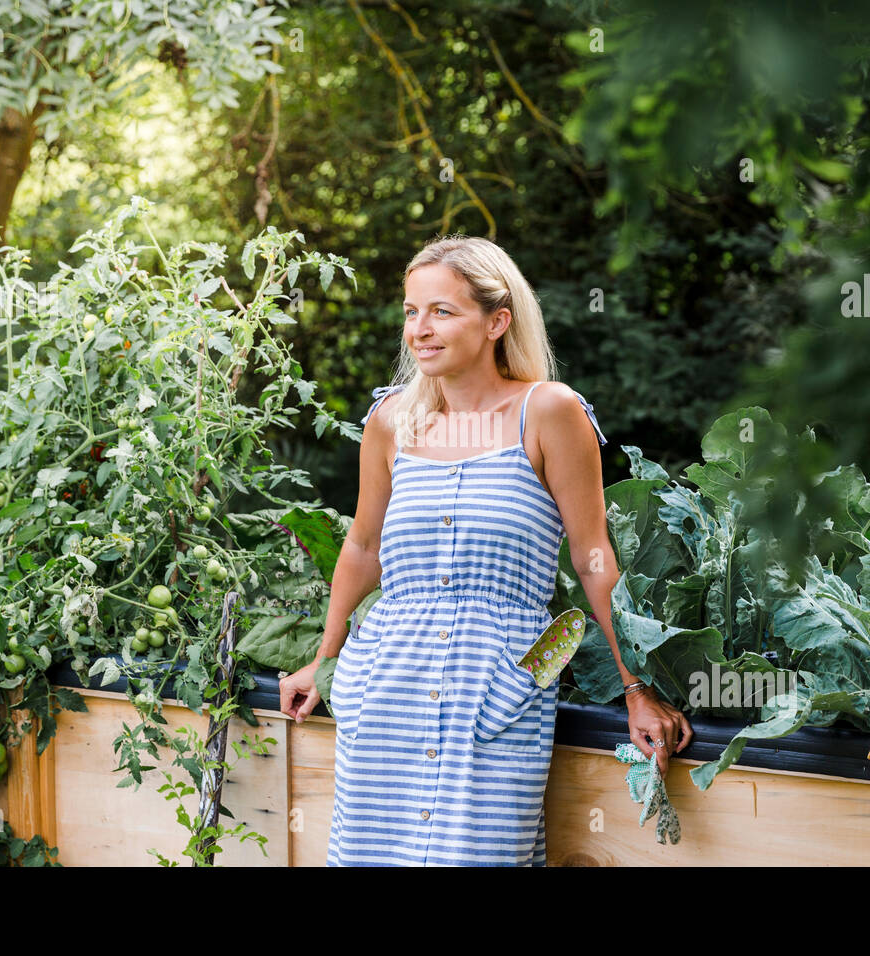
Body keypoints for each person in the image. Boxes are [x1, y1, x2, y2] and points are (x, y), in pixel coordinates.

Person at [278, 235, 692, 866]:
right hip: (386, 690)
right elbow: (362, 548)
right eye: (412, 312)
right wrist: (325, 660)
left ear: (498, 321)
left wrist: (635, 685)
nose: (420, 328)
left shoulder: (549, 412)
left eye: (442, 311)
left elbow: (592, 559)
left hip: (501, 685)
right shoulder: (391, 420)